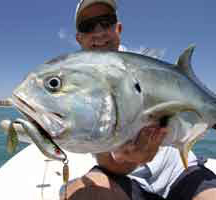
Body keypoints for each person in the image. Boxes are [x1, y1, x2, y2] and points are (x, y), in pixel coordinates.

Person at [60, 0, 216, 199]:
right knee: (80, 195)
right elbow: (100, 148)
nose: (99, 32)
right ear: (79, 38)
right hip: (123, 178)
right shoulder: (79, 82)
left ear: (118, 28)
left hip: (180, 169)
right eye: (88, 26)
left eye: (106, 22)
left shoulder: (149, 69)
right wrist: (128, 160)